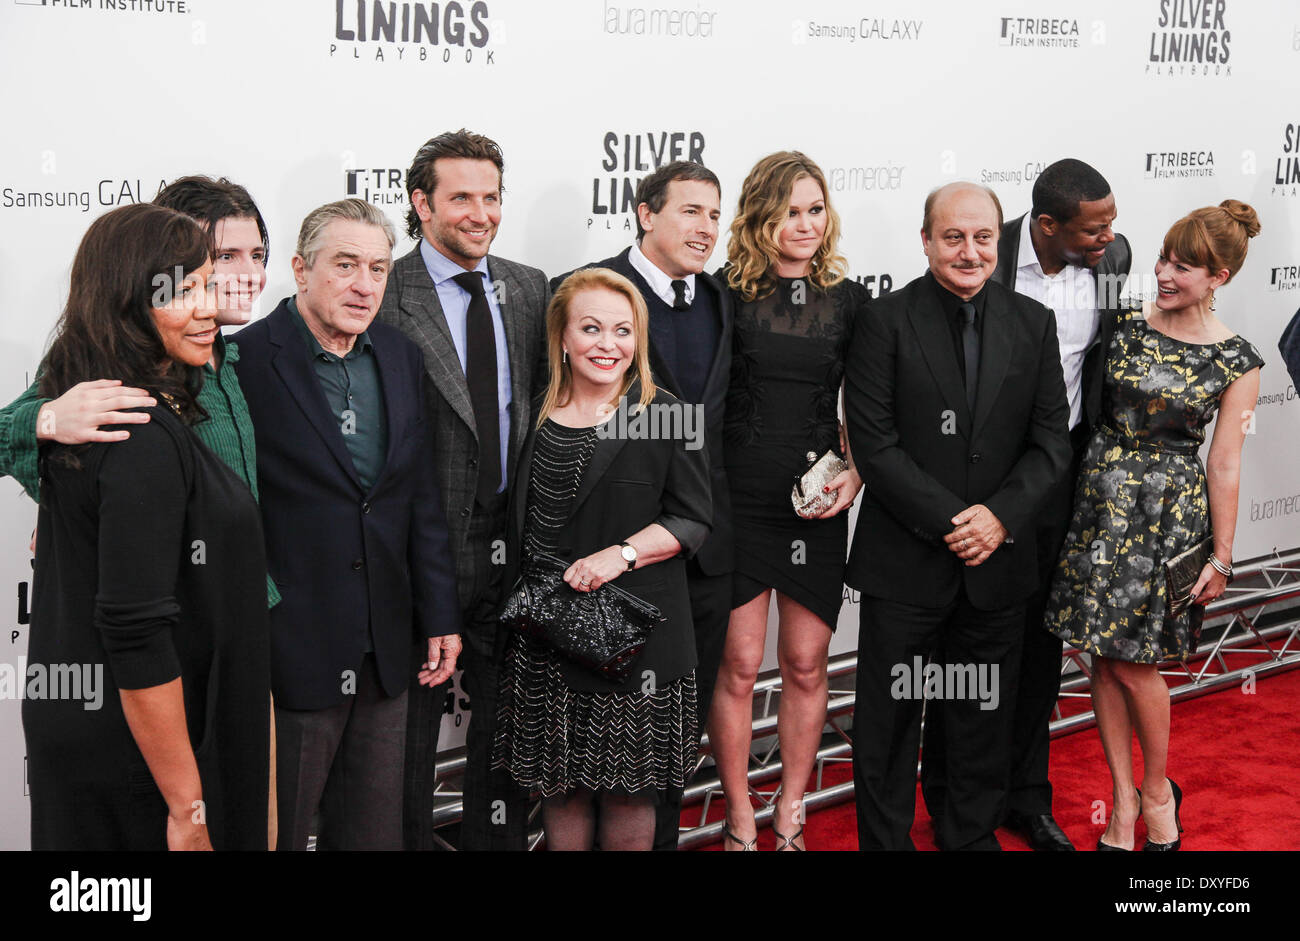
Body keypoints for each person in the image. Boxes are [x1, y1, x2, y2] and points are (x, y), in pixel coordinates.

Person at [24, 203, 270, 850]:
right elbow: (137, 636)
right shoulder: (134, 431)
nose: (209, 308)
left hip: (125, 747)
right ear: (127, 303)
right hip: (147, 766)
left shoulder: (120, 408)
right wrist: (188, 810)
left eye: (206, 286)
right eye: (182, 292)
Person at [845, 182, 1072, 851]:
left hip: (997, 562)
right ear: (925, 241)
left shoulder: (1032, 324)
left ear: (997, 242)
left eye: (982, 237)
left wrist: (998, 519)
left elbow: (1051, 441)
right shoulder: (883, 320)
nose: (969, 251)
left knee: (979, 715)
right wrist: (956, 520)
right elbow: (875, 444)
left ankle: (967, 835)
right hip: (906, 560)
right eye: (953, 236)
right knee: (888, 721)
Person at [231, 198, 463, 851]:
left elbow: (418, 494)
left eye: (379, 269)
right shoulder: (241, 361)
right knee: (273, 829)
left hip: (387, 646)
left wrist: (439, 612)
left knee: (371, 836)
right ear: (301, 270)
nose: (365, 285)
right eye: (346, 265)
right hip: (290, 648)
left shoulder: (399, 354)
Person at [922, 159, 1131, 851]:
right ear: (1046, 225)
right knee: (972, 636)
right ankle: (952, 797)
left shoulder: (1112, 258)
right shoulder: (985, 251)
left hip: (1059, 470)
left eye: (1109, 224)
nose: (1107, 237)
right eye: (1091, 227)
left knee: (1043, 638)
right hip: (979, 475)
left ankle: (1026, 796)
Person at [1045, 200, 1264, 852]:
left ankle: (1160, 789)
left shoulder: (1237, 361)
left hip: (1168, 521)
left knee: (1138, 666)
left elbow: (1224, 462)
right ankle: (1121, 799)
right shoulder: (1128, 323)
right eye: (1166, 258)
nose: (1165, 273)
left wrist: (1221, 557)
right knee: (1101, 662)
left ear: (1219, 275)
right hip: (1097, 503)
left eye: (1185, 266)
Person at [491, 267, 713, 850]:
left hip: (635, 642)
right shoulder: (530, 413)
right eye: (591, 328)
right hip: (547, 638)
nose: (608, 345)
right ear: (562, 337)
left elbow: (694, 519)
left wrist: (622, 554)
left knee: (627, 793)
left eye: (623, 331)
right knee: (561, 791)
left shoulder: (669, 412)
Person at [377, 128, 550, 851]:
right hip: (421, 551)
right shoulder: (382, 289)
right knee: (406, 741)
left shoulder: (529, 286)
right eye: (461, 198)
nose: (481, 213)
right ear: (421, 203)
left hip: (514, 544)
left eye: (492, 197)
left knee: (508, 729)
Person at [554, 160, 733, 850]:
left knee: (667, 745)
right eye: (691, 210)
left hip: (702, 555)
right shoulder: (588, 291)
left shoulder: (720, 299)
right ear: (644, 213)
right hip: (606, 566)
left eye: (715, 214)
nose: (706, 227)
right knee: (584, 756)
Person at [707, 152, 867, 851]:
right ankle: (739, 812)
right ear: (760, 218)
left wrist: (857, 474)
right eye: (787, 211)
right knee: (740, 664)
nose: (803, 224)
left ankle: (791, 808)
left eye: (813, 208)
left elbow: (869, 403)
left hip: (815, 500)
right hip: (736, 497)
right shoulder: (723, 294)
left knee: (806, 662)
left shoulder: (850, 298)